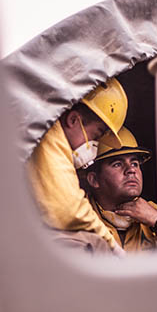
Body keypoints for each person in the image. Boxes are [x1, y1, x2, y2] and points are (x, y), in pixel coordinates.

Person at [26, 78, 128, 253]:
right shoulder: (49, 136)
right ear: (73, 120)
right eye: (96, 136)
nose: (94, 146)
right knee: (93, 245)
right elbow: (68, 210)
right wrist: (113, 247)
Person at [85, 127, 157, 252]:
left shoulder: (155, 213)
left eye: (134, 163)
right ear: (94, 180)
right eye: (117, 164)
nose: (131, 170)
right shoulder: (79, 218)